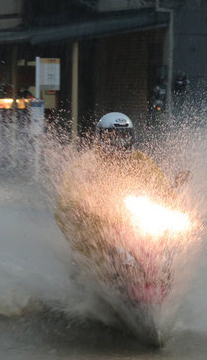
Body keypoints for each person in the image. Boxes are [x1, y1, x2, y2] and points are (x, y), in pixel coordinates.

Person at [55, 112, 177, 262]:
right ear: (101, 137)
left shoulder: (140, 161)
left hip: (133, 223)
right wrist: (82, 206)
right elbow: (68, 200)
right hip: (98, 230)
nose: (119, 141)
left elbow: (159, 182)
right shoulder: (86, 165)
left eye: (124, 136)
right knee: (97, 250)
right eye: (112, 136)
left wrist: (169, 196)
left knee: (164, 247)